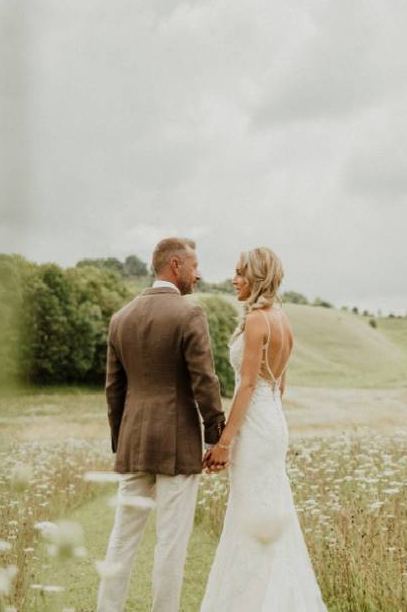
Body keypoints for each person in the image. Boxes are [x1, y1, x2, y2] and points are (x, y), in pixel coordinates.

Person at [96, 237, 226, 612]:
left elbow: (113, 389)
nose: (198, 274)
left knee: (122, 537)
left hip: (134, 442)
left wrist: (121, 440)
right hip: (177, 443)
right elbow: (205, 381)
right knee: (171, 542)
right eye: (193, 266)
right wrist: (214, 437)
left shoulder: (120, 318)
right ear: (175, 265)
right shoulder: (189, 315)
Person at [200, 247, 327, 611]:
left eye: (240, 273)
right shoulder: (282, 319)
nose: (233, 279)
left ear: (256, 278)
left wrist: (225, 442)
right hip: (273, 422)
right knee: (268, 512)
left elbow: (248, 385)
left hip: (256, 427)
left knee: (249, 517)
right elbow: (279, 386)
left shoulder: (258, 321)